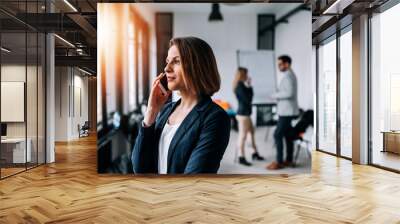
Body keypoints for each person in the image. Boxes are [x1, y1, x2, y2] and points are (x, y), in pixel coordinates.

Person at [131, 37, 231, 174]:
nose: (166, 68)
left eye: (176, 61)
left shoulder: (215, 118)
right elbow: (139, 168)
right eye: (167, 62)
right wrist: (151, 112)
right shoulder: (165, 110)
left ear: (197, 67)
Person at [266, 55, 299, 170]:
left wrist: (274, 95)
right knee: (288, 135)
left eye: (280, 64)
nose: (279, 66)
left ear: (287, 64)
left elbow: (289, 93)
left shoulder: (289, 76)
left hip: (287, 112)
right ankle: (289, 160)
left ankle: (279, 162)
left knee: (277, 134)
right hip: (287, 111)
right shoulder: (289, 75)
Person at [233, 67, 264, 166]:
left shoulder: (241, 85)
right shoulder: (240, 86)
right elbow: (248, 99)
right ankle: (241, 157)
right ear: (243, 75)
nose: (247, 75)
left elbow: (248, 98)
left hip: (246, 114)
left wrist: (249, 86)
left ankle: (254, 153)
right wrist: (250, 86)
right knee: (243, 136)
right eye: (246, 73)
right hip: (243, 115)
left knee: (251, 133)